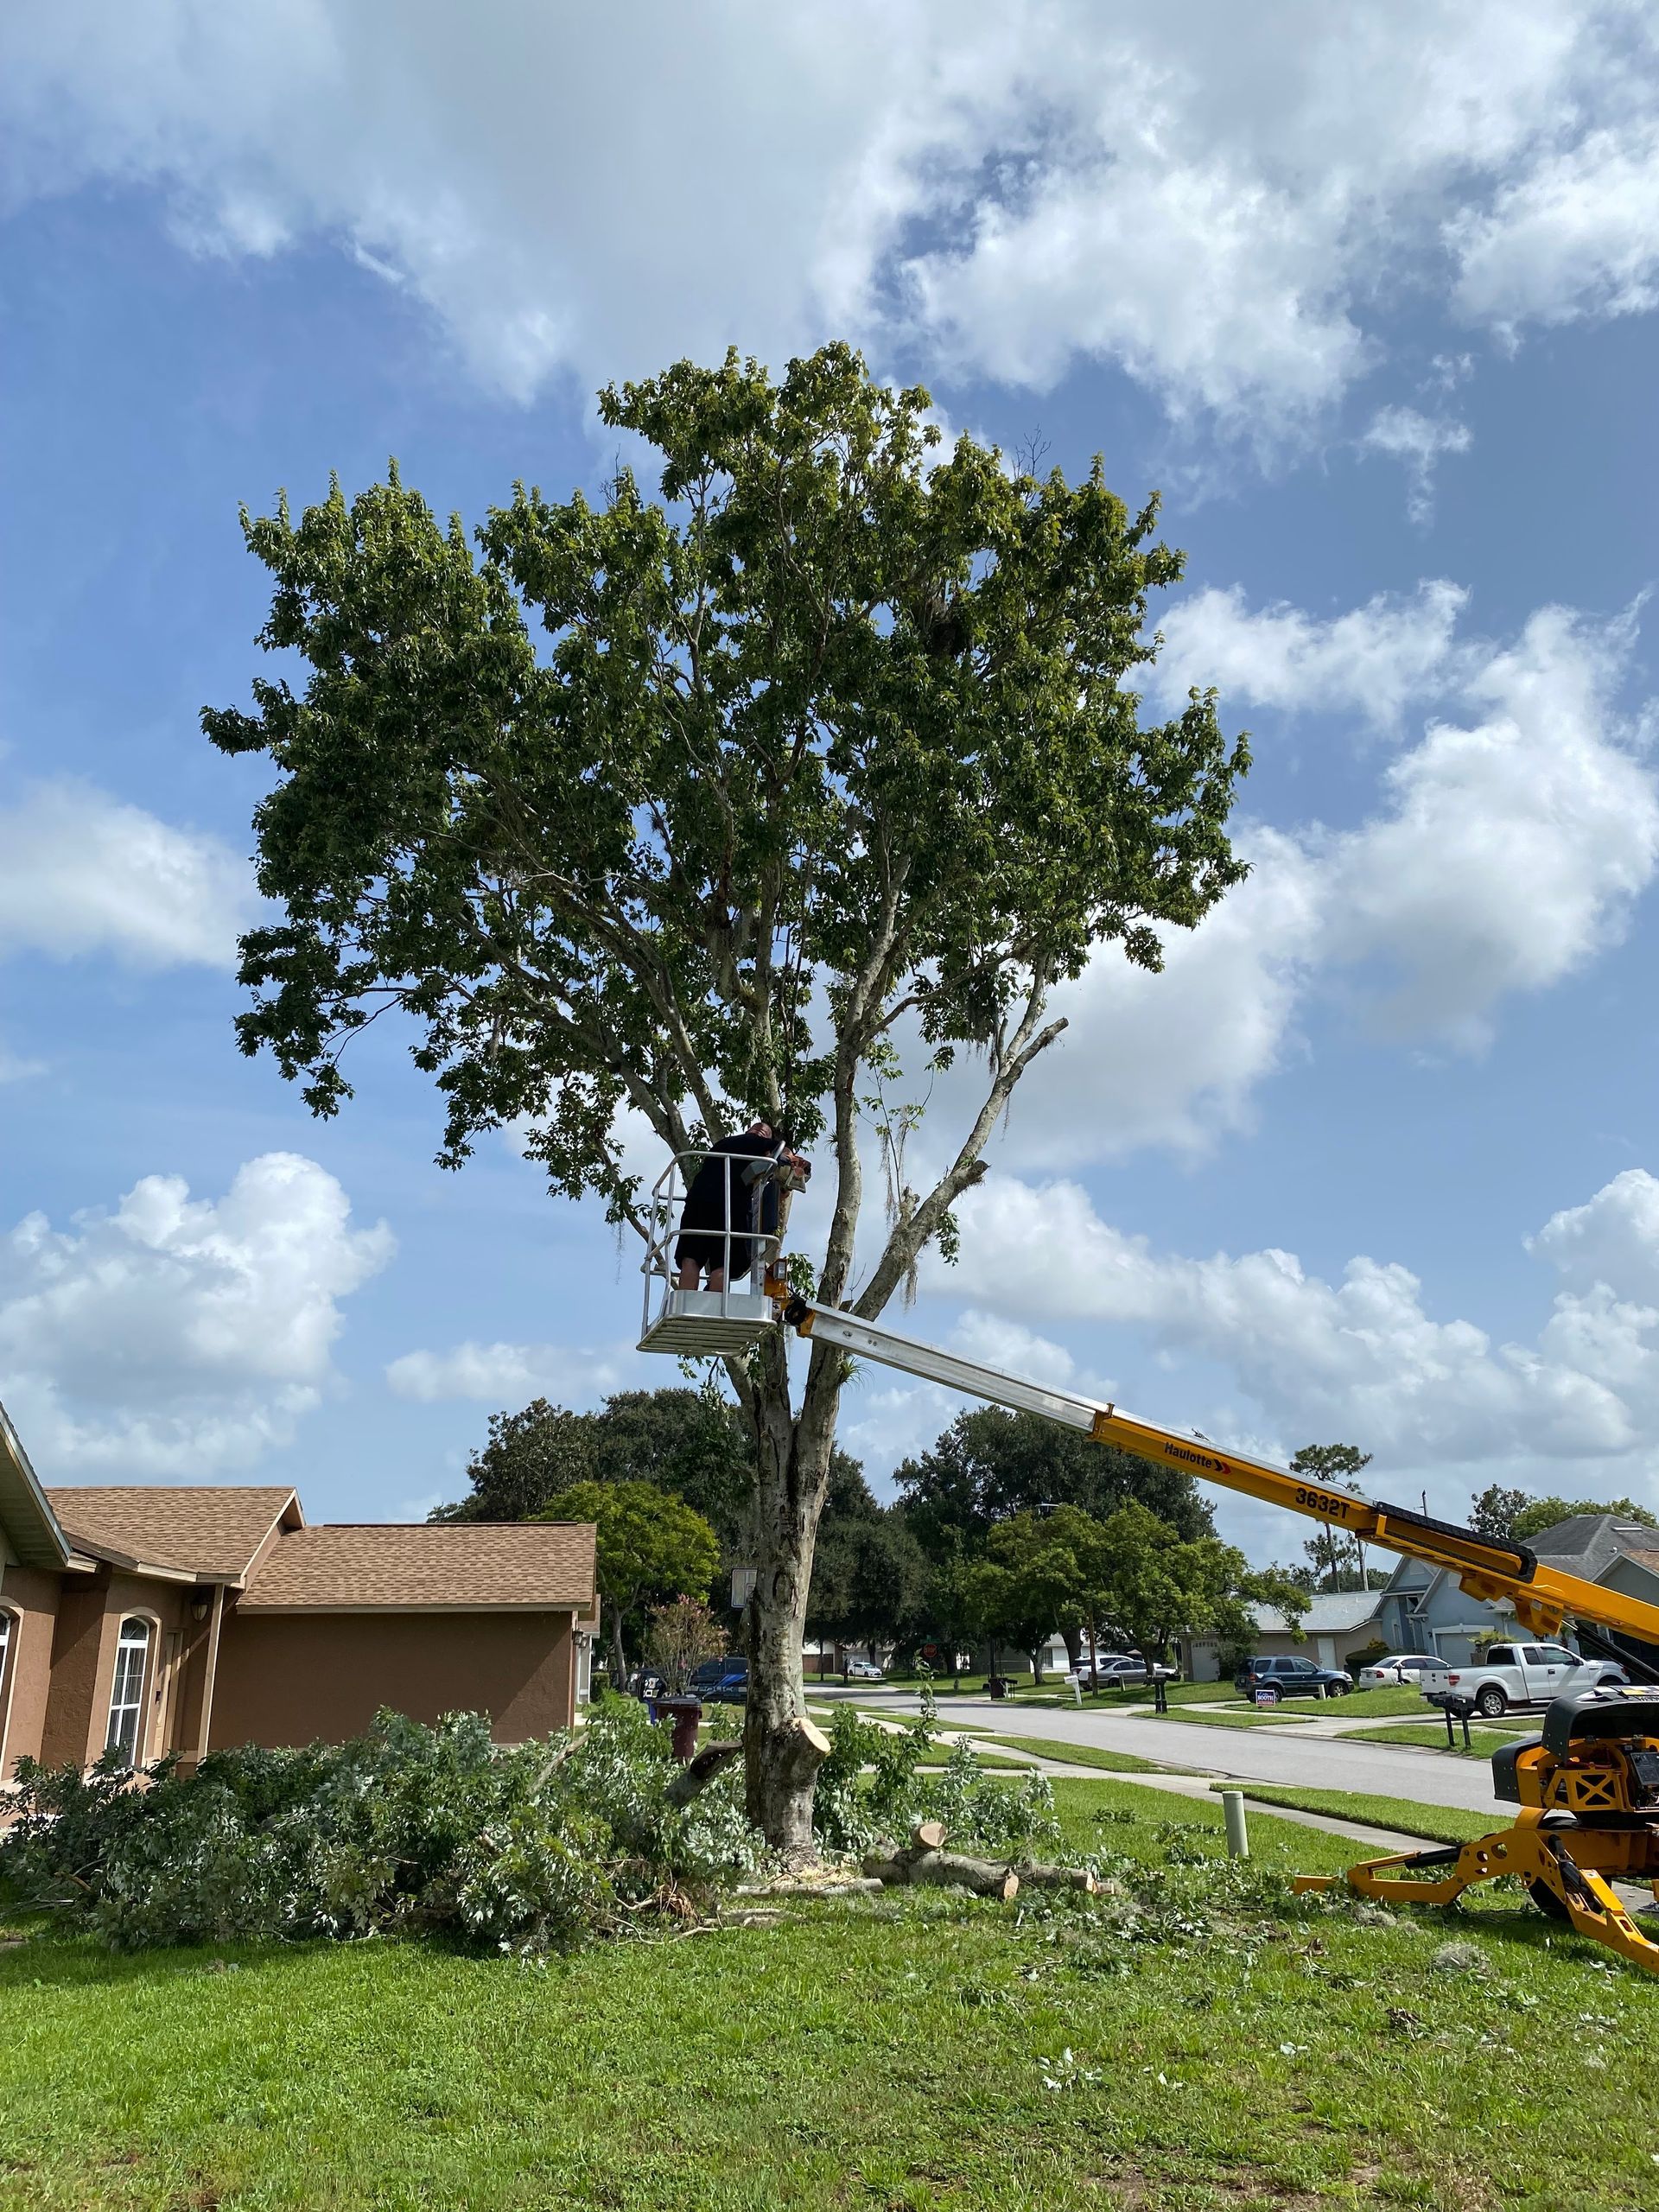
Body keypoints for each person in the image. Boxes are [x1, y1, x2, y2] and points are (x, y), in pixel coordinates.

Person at [674, 1118, 809, 1292]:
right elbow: (781, 1150)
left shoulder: (729, 1150)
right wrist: (793, 1161)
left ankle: (686, 1305)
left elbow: (762, 1193)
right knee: (722, 1265)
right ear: (763, 1137)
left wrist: (782, 1187)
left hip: (699, 1202)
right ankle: (715, 1310)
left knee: (691, 1258)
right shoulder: (753, 1142)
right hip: (730, 1207)